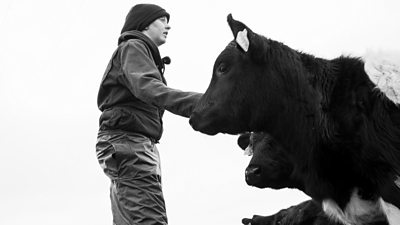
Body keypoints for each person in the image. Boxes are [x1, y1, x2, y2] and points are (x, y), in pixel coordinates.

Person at [95, 4, 202, 225]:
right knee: (150, 220)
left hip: (127, 145)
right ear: (144, 23)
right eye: (162, 20)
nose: (168, 25)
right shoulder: (134, 47)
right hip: (129, 144)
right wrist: (206, 105)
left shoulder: (137, 51)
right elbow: (149, 88)